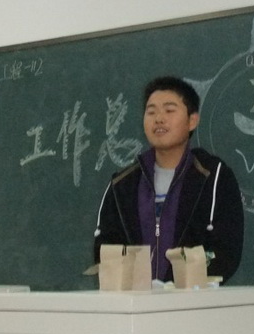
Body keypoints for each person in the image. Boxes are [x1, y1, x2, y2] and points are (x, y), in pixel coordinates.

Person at [93, 75, 244, 283]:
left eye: (169, 110)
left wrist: (176, 285)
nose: (159, 119)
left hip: (192, 300)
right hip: (136, 301)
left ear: (192, 121)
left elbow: (227, 251)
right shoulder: (122, 185)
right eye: (151, 111)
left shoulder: (214, 178)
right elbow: (105, 250)